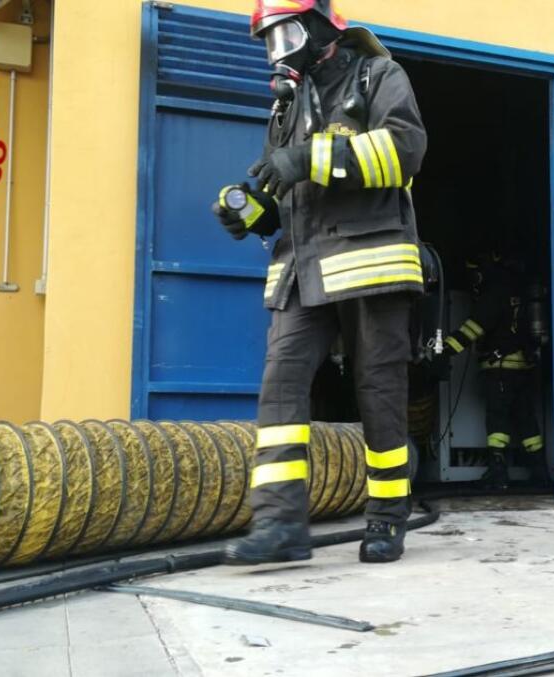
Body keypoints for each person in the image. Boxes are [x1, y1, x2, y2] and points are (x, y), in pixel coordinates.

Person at [211, 0, 427, 565]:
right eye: (269, 40)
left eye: (284, 35)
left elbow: (404, 153)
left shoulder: (377, 75)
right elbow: (282, 196)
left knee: (379, 395)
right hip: (300, 271)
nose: (277, 50)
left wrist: (307, 158)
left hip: (369, 264)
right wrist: (250, 211)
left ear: (317, 26)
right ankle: (280, 526)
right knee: (280, 386)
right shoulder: (286, 106)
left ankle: (386, 519)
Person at [437, 253, 546, 488]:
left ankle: (498, 473)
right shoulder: (520, 292)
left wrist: (445, 350)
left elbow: (474, 328)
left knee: (498, 420)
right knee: (527, 420)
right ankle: (540, 472)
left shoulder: (493, 294)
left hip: (500, 369)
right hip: (525, 368)